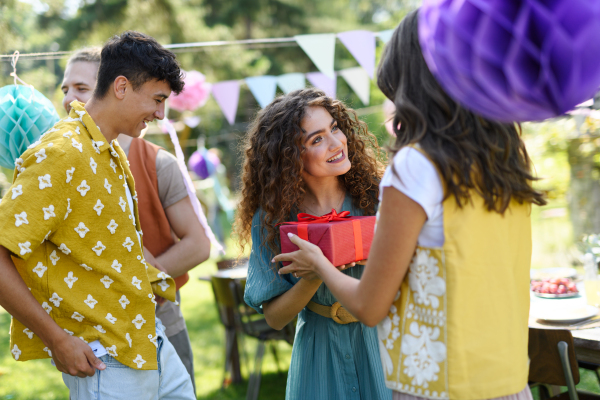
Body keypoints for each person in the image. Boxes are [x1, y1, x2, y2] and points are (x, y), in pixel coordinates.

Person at [274, 10, 546, 400]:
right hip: (507, 378)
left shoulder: (416, 166)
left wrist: (319, 264)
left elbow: (369, 305)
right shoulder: (508, 159)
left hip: (439, 383)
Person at [0, 31, 196, 399]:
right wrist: (57, 340)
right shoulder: (61, 152)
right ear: (121, 86)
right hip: (104, 357)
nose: (160, 113)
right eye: (156, 99)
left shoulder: (108, 150)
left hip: (147, 338)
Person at [61, 47, 211, 393]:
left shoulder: (157, 163)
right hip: (101, 336)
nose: (70, 99)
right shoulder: (63, 158)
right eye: (65, 89)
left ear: (116, 86)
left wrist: (132, 283)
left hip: (161, 322)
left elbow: (198, 244)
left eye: (81, 89)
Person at [235, 88, 391, 400]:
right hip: (319, 353)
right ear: (289, 157)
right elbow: (275, 318)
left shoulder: (380, 197)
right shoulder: (271, 220)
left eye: (335, 128)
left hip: (383, 343)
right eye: (316, 139)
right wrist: (314, 274)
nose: (337, 143)